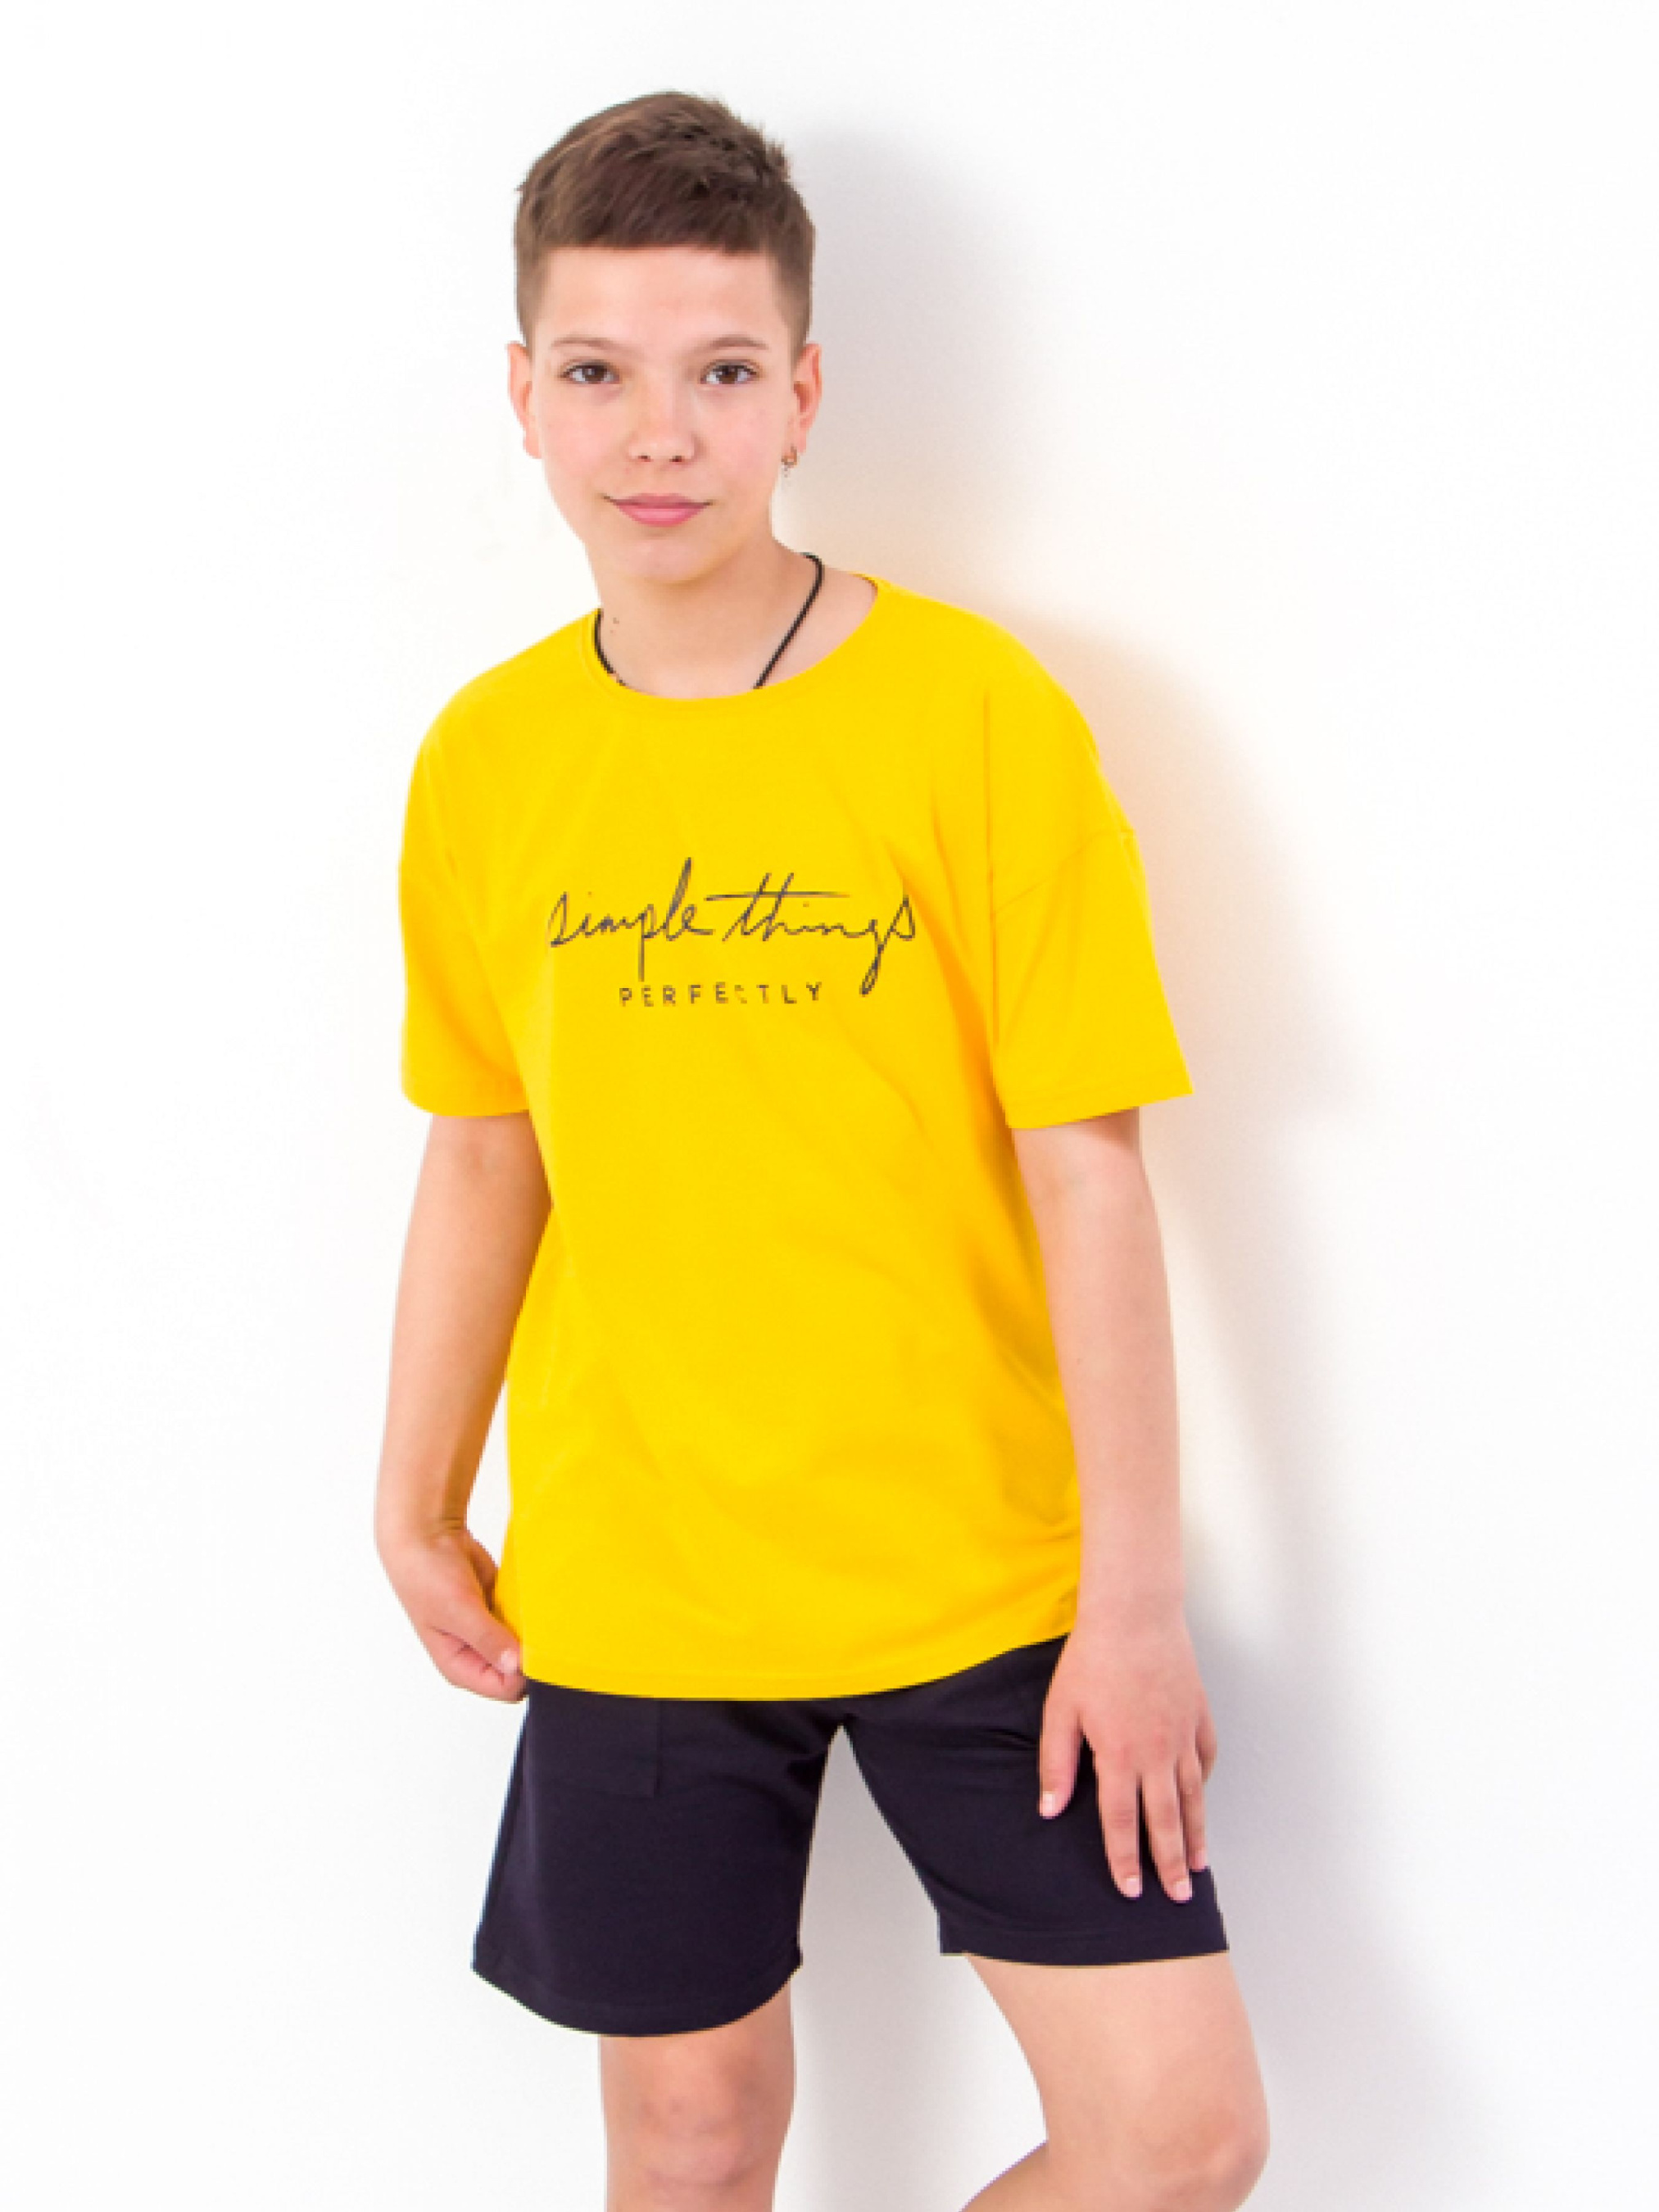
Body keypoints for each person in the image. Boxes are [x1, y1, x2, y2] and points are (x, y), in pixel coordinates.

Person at [375, 88, 1271, 2212]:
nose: (655, 432)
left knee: (1175, 2135)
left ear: (800, 391)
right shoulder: (490, 757)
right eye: (597, 370)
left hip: (985, 1576)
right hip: (640, 1579)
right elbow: (485, 1151)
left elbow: (1088, 1167)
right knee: (691, 2140)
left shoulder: (973, 714)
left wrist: (1131, 1603)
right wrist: (412, 1496)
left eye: (717, 372)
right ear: (522, 394)